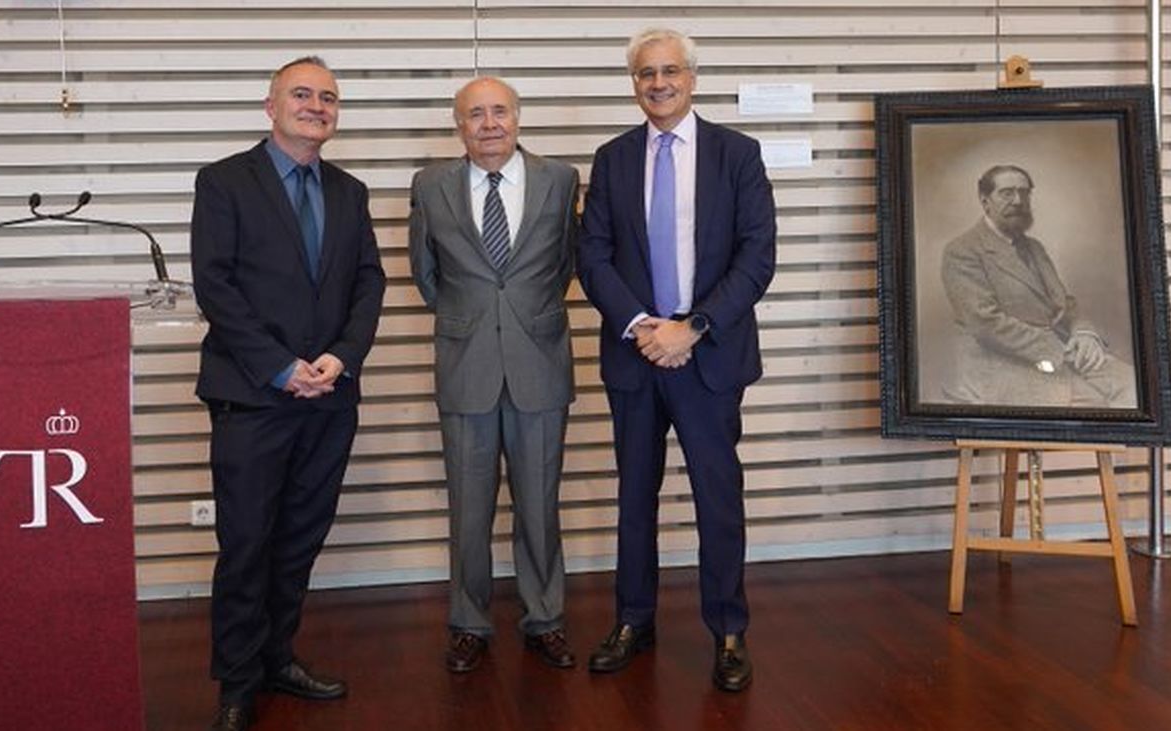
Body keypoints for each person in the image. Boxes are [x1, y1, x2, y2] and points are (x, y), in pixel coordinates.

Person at [577, 28, 776, 692]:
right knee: (635, 497)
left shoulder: (736, 154)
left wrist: (691, 327)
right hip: (636, 356)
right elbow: (593, 255)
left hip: (709, 355)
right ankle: (634, 619)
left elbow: (757, 256)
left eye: (669, 71)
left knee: (717, 499)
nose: (657, 83)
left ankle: (728, 629)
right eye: (644, 74)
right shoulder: (611, 158)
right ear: (632, 83)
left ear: (691, 78)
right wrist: (642, 327)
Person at [190, 56, 386, 731]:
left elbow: (369, 285)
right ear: (270, 106)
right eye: (302, 94)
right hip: (253, 395)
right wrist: (281, 366)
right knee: (247, 542)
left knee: (301, 537)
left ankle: (278, 655)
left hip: (329, 396)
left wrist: (338, 358)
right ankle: (238, 682)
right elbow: (216, 286)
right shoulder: (222, 183)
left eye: (328, 97)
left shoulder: (350, 191)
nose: (317, 105)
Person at [408, 77, 581, 673]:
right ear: (459, 125)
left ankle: (545, 619)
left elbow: (565, 263)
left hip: (540, 363)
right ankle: (468, 624)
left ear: (517, 117)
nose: (489, 124)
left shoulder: (561, 180)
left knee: (540, 505)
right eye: (474, 114)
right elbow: (426, 274)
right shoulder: (431, 186)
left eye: (499, 111)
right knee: (468, 507)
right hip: (466, 367)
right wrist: (475, 322)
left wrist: (521, 318)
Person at [940, 164, 1135, 408]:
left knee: (1131, 385)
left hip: (1062, 353)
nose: (1018, 201)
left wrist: (1084, 334)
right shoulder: (962, 251)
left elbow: (1065, 303)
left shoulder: (1034, 247)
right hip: (1003, 363)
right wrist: (1061, 351)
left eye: (1024, 192)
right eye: (1007, 193)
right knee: (1094, 406)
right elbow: (985, 323)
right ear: (985, 200)